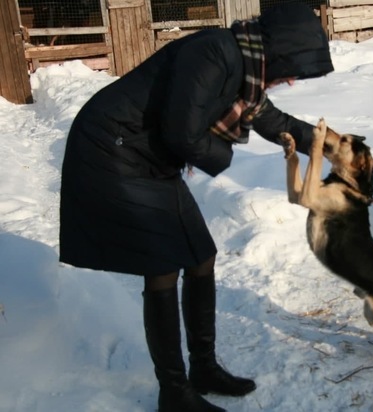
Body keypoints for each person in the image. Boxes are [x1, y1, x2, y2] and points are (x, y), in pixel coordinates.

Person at [59, 3, 334, 412]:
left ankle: (203, 368)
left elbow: (266, 116)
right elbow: (182, 132)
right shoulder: (213, 53)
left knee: (201, 256)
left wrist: (328, 144)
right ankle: (174, 392)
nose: (292, 79)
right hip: (115, 149)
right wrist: (223, 158)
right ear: (280, 52)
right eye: (294, 66)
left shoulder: (244, 67)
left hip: (152, 153)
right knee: (164, 264)